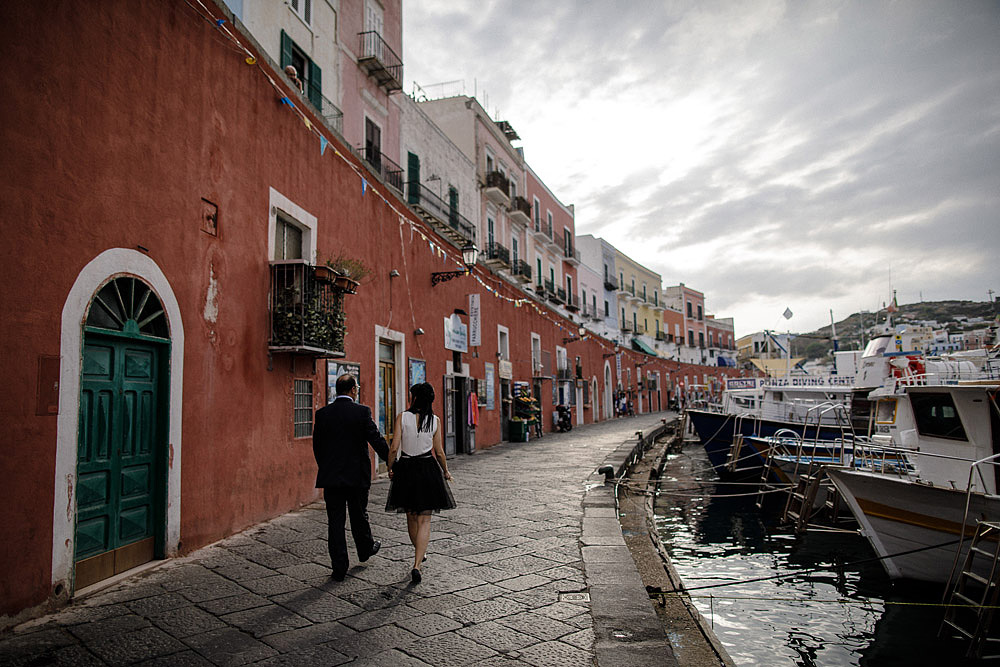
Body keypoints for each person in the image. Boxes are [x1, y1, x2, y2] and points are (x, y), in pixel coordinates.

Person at [312, 374, 389, 581]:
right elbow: (376, 439)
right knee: (359, 515)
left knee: (335, 522)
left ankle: (339, 568)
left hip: (332, 478)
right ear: (353, 390)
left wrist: (327, 467)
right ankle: (365, 550)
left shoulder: (322, 414)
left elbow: (317, 447)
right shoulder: (362, 412)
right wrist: (392, 461)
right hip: (356, 476)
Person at [385, 383, 455, 584]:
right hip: (427, 468)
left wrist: (391, 467)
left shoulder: (403, 417)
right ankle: (417, 563)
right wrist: (446, 471)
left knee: (411, 516)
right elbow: (439, 452)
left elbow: (394, 448)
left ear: (414, 398)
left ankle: (419, 551)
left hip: (406, 468)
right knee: (425, 519)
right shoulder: (435, 421)